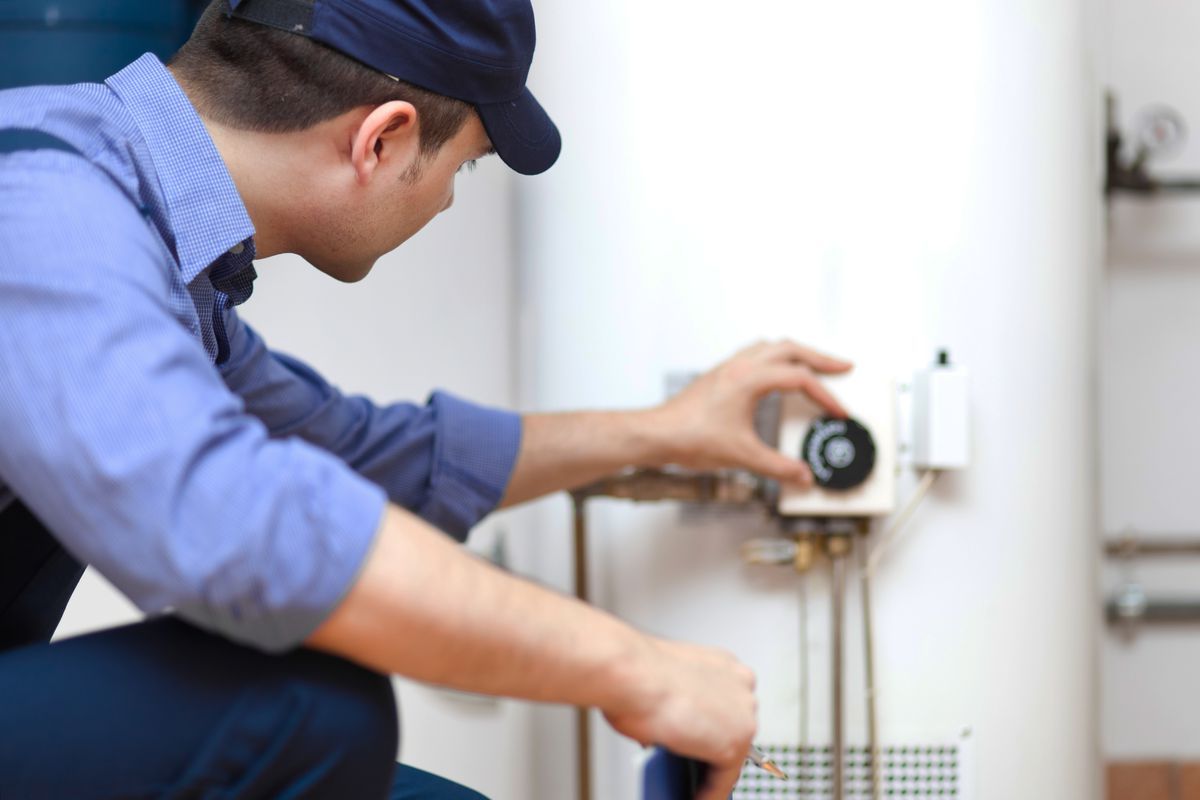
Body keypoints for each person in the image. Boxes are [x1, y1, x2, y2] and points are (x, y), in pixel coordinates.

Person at [0, 1, 852, 798]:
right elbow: (239, 528)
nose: (447, 197)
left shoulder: (156, 247)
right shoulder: (43, 203)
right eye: (465, 165)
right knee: (308, 702)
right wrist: (636, 668)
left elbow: (361, 457)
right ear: (383, 140)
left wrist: (667, 431)